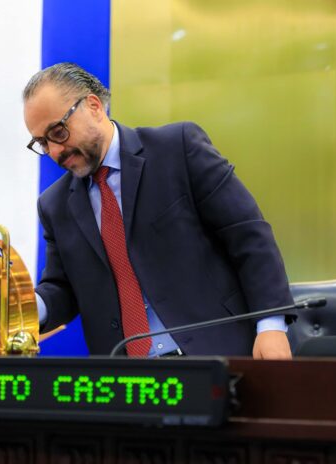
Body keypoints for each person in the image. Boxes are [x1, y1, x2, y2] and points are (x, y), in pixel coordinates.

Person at [23, 63, 295, 359]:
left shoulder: (178, 149)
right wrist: (18, 306)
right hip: (128, 376)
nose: (54, 151)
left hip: (217, 357)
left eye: (58, 132)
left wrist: (271, 326)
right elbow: (62, 288)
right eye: (42, 143)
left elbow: (248, 235)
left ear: (94, 107)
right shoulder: (54, 205)